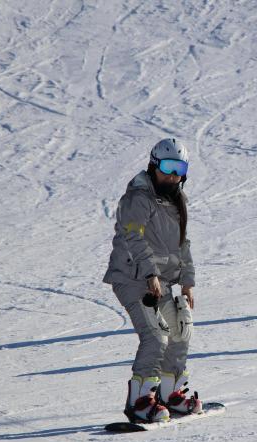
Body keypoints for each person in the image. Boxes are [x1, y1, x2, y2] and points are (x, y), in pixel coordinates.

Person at [103, 138, 202, 423]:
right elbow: (133, 237)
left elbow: (182, 244)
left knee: (180, 331)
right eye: (168, 167)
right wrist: (150, 273)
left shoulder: (176, 201)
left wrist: (187, 281)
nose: (173, 175)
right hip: (133, 277)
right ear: (154, 164)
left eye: (179, 168)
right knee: (155, 336)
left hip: (161, 280)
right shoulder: (138, 198)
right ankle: (140, 400)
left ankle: (170, 393)